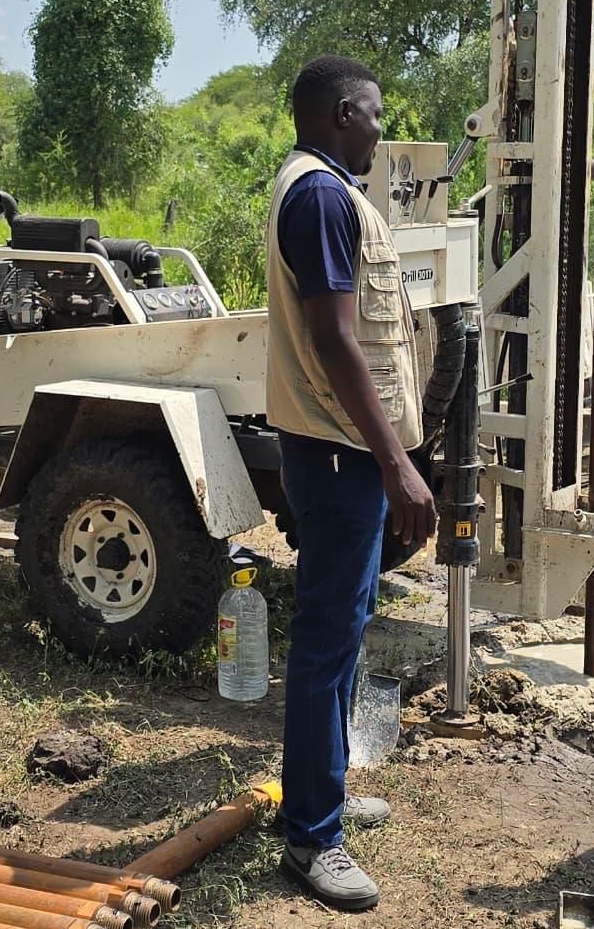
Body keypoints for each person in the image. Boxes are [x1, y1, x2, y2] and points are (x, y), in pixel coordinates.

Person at [262, 54, 439, 911]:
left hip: (341, 450)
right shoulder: (325, 196)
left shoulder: (322, 188)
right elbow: (335, 341)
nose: (381, 128)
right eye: (373, 113)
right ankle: (311, 840)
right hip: (339, 454)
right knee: (329, 636)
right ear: (340, 112)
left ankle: (318, 792)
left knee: (347, 626)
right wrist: (398, 463)